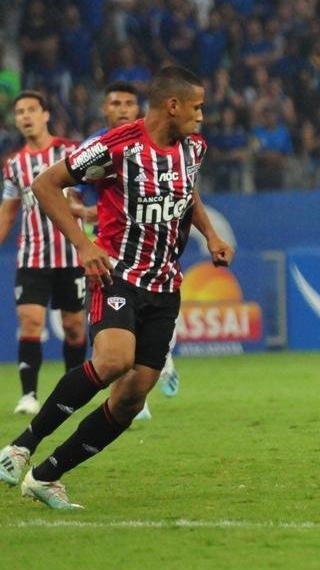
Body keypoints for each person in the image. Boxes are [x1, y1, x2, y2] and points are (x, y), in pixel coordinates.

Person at [0, 65, 232, 510]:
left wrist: (210, 234)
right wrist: (83, 245)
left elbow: (186, 194)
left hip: (165, 284)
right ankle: (22, 446)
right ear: (172, 105)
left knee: (129, 398)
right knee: (112, 361)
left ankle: (46, 477)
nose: (202, 116)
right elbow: (46, 184)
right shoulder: (117, 146)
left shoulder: (194, 148)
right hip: (117, 273)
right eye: (197, 107)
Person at [78, 82, 182, 422]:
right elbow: (67, 191)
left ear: (138, 109)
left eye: (128, 103)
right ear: (105, 109)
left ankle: (159, 365)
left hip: (148, 247)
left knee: (153, 310)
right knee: (115, 330)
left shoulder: (153, 143)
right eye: (115, 103)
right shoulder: (94, 147)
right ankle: (139, 387)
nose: (122, 109)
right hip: (106, 251)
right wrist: (83, 216)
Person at [0, 91, 87, 415]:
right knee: (30, 320)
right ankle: (29, 395)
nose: (25, 116)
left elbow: (86, 194)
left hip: (71, 254)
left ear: (45, 114)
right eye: (19, 112)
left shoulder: (71, 152)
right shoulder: (14, 164)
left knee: (74, 326)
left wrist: (84, 213)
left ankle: (71, 392)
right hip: (33, 257)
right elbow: (8, 213)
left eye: (31, 110)